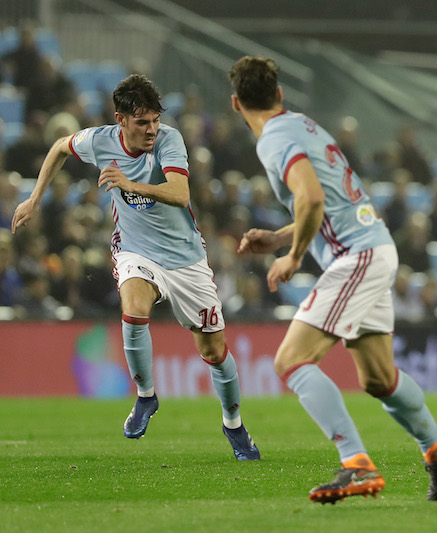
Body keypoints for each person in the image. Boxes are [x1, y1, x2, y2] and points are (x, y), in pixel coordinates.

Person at [229, 56, 437, 503]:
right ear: (279, 94)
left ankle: (356, 464)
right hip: (374, 246)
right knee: (378, 378)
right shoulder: (304, 125)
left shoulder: (274, 139)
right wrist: (279, 238)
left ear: (236, 104)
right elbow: (327, 202)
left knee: (291, 360)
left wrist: (293, 255)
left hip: (355, 255)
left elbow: (312, 198)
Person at [11, 74, 260, 461]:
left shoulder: (169, 141)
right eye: (142, 122)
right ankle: (146, 397)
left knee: (213, 350)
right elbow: (59, 147)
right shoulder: (99, 140)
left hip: (185, 258)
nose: (151, 130)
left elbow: (180, 193)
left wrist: (130, 184)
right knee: (134, 307)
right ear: (121, 120)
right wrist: (34, 198)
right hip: (135, 249)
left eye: (155, 121)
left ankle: (234, 424)